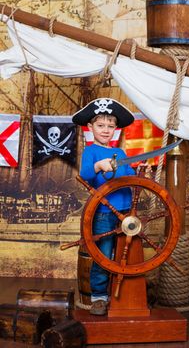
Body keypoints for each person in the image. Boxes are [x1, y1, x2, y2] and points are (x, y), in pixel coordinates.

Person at [72, 98, 135, 315]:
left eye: (110, 126)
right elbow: (86, 176)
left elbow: (132, 178)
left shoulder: (122, 154)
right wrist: (98, 166)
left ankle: (126, 293)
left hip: (127, 213)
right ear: (90, 127)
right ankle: (99, 297)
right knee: (104, 255)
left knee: (127, 254)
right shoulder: (91, 153)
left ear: (115, 129)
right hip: (103, 213)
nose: (106, 130)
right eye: (101, 125)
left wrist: (140, 172)